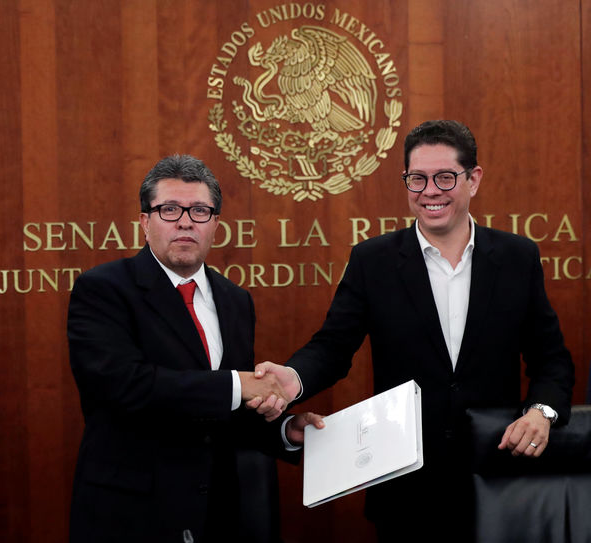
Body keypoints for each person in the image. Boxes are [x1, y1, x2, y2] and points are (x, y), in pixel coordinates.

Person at [250, 120, 575, 542]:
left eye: (444, 177)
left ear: (473, 180)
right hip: (405, 487)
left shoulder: (517, 257)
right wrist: (291, 380)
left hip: (497, 477)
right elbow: (332, 347)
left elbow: (551, 360)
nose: (430, 191)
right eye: (417, 179)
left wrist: (542, 411)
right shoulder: (374, 260)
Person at [67, 154, 323, 543]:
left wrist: (286, 430)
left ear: (215, 224)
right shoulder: (103, 289)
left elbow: (227, 412)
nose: (185, 221)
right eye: (169, 209)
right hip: (132, 515)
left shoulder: (235, 299)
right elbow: (126, 387)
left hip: (217, 515)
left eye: (200, 211)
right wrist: (239, 386)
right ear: (144, 221)